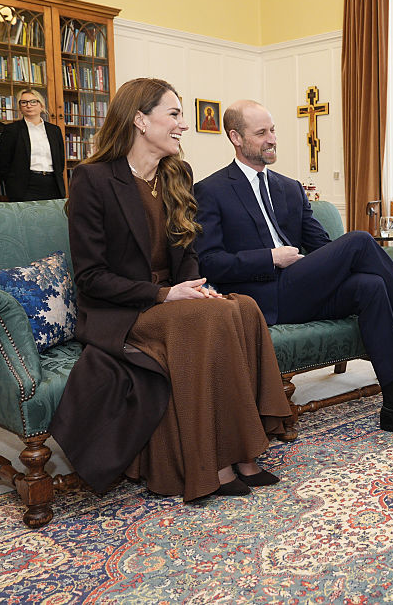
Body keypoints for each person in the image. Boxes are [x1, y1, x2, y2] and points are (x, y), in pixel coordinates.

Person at [50, 78, 291, 501]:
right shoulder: (93, 179)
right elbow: (90, 277)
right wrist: (165, 295)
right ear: (141, 120)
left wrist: (194, 287)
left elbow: (188, 250)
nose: (183, 125)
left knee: (243, 307)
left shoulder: (176, 173)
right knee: (208, 315)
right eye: (174, 114)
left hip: (176, 299)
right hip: (123, 310)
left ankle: (244, 453)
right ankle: (212, 463)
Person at [193, 99, 393, 440]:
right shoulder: (210, 191)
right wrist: (270, 258)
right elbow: (209, 262)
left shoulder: (288, 187)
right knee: (359, 240)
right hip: (265, 296)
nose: (272, 139)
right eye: (261, 133)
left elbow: (322, 247)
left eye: (273, 130)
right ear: (235, 138)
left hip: (302, 286)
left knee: (370, 286)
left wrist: (335, 265)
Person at [0, 88, 66, 201]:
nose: (28, 105)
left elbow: (60, 160)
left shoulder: (54, 130)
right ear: (20, 107)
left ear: (41, 105)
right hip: (25, 186)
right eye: (24, 102)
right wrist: (12, 185)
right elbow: (4, 163)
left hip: (53, 184)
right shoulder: (12, 130)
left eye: (33, 101)